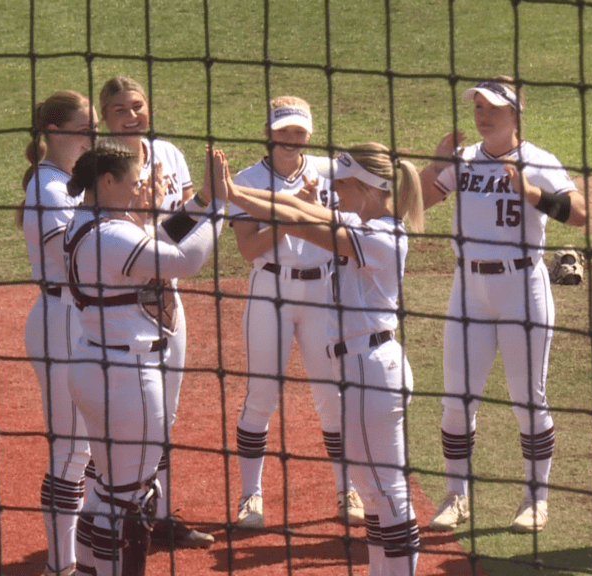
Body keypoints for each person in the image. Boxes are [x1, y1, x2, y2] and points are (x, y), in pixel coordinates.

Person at [228, 142, 424, 575]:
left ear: (364, 186)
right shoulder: (363, 220)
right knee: (375, 494)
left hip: (372, 371)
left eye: (340, 182)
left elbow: (297, 221)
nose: (333, 189)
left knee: (387, 493)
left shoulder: (379, 235)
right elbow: (295, 207)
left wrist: (235, 196)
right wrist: (234, 192)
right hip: (361, 366)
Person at [417, 76, 588, 533]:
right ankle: (456, 496)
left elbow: (582, 213)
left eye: (492, 106)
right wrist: (433, 165)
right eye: (477, 106)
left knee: (527, 400)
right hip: (468, 289)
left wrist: (531, 193)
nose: (482, 114)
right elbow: (409, 205)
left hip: (522, 287)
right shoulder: (464, 161)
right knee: (456, 400)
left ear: (515, 112)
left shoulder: (539, 161)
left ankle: (536, 499)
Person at [65, 139, 226, 576]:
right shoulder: (111, 232)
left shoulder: (90, 220)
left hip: (95, 365)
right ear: (107, 180)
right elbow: (184, 260)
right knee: (132, 498)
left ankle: (86, 572)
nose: (140, 191)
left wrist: (202, 201)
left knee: (103, 489)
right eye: (133, 182)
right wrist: (220, 211)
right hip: (127, 374)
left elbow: (155, 239)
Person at [227, 96, 363, 530]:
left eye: (299, 132)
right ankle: (251, 497)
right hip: (271, 289)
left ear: (309, 133)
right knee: (261, 394)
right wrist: (293, 212)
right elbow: (248, 248)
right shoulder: (247, 180)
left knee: (334, 398)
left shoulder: (331, 172)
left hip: (324, 290)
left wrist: (312, 208)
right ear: (269, 132)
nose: (291, 139)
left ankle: (348, 489)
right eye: (283, 130)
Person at [97, 76, 213, 549]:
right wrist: (205, 208)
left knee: (164, 414)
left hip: (169, 299)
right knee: (126, 418)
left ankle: (156, 516)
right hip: (121, 305)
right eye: (120, 109)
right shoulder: (103, 164)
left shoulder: (169, 154)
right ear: (105, 117)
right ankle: (121, 515)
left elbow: (180, 217)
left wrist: (199, 207)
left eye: (138, 106)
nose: (131, 115)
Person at [19, 90, 97, 576]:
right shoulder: (50, 189)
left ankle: (80, 556)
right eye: (84, 128)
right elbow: (83, 257)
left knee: (89, 450)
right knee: (71, 451)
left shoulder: (68, 183)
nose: (92, 135)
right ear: (55, 132)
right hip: (61, 320)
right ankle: (60, 567)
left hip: (79, 319)